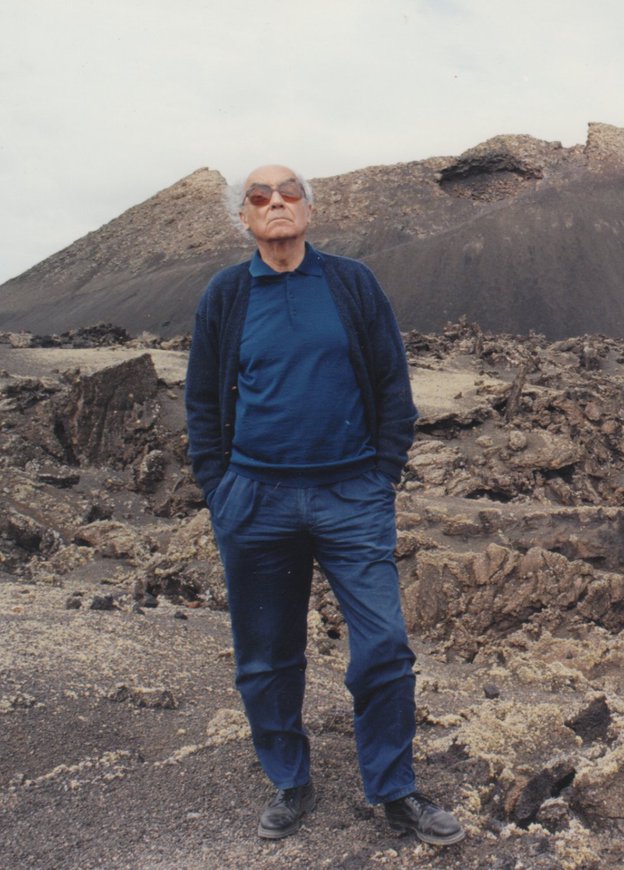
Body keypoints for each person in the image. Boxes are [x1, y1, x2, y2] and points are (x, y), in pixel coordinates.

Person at [184, 164, 463, 845]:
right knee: (266, 654)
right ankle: (290, 780)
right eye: (260, 197)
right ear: (244, 218)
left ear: (308, 208)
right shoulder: (226, 295)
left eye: (288, 193)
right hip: (256, 499)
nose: (276, 203)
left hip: (350, 496)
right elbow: (202, 402)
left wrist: (381, 475)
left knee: (385, 647)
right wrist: (221, 490)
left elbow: (393, 386)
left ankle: (395, 790)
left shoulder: (350, 283)